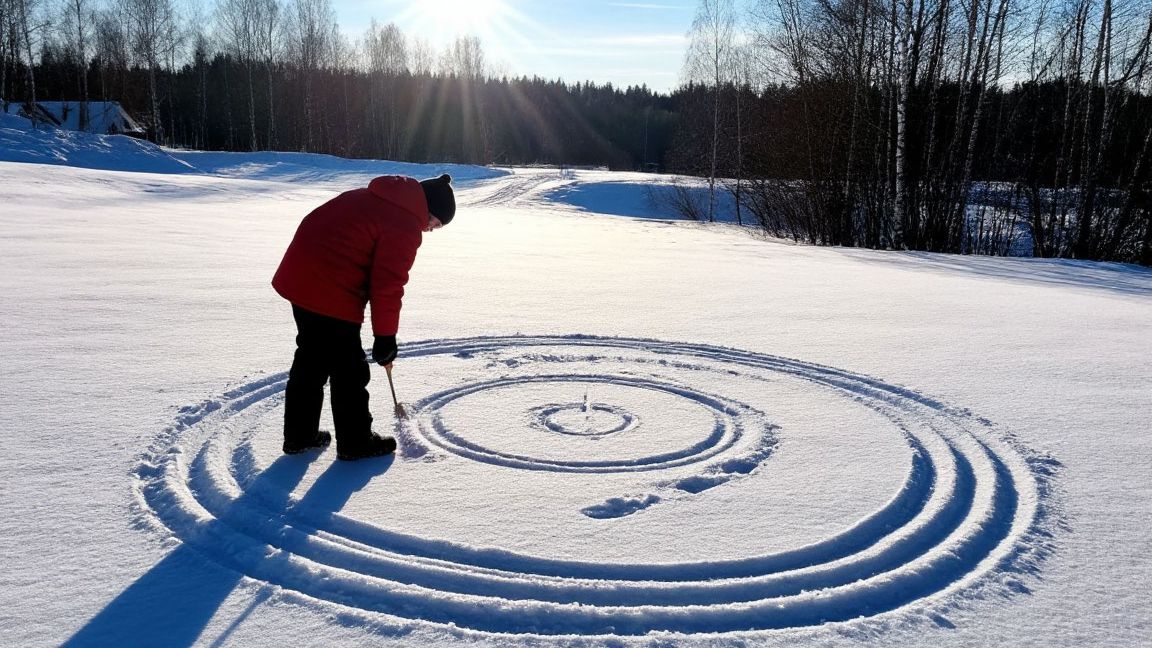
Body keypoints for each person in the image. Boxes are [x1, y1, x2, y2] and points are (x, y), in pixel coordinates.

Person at [271, 173, 456, 460]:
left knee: (312, 357)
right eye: (436, 223)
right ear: (428, 209)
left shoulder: (376, 196)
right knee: (349, 370)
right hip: (328, 285)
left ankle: (300, 435)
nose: (431, 229)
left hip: (300, 276)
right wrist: (385, 337)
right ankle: (356, 442)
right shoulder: (404, 223)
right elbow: (387, 285)